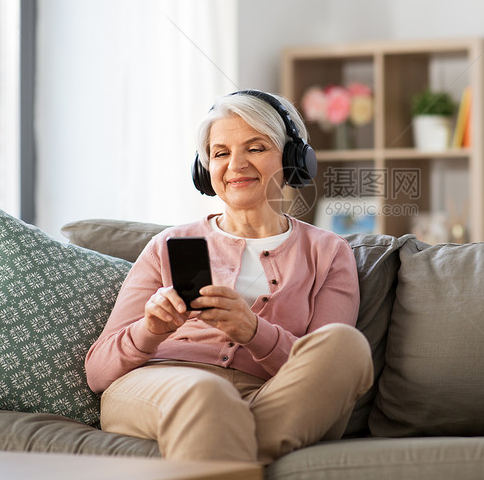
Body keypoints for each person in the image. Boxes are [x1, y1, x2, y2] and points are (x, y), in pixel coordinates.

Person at [85, 90, 373, 464]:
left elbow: (320, 365)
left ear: (293, 159)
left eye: (255, 148)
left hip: (266, 396)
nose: (235, 165)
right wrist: (151, 329)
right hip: (162, 385)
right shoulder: (168, 244)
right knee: (206, 394)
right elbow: (98, 371)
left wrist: (254, 331)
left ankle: (223, 439)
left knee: (344, 346)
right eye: (220, 153)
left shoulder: (328, 252)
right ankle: (238, 440)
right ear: (205, 169)